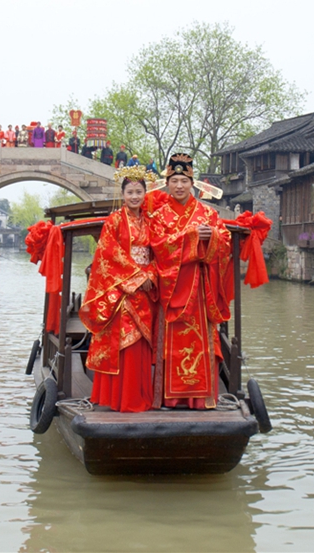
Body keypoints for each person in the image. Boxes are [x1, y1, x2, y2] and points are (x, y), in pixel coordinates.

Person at [146, 153, 231, 410]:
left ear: (192, 183)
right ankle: (169, 399)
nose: (180, 185)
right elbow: (158, 246)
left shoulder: (207, 213)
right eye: (174, 180)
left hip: (200, 293)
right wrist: (192, 235)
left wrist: (212, 236)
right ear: (167, 184)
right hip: (172, 290)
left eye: (184, 180)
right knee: (170, 347)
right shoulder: (159, 217)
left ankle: (200, 399)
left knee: (200, 345)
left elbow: (225, 242)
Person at [79, 165, 158, 412]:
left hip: (145, 289)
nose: (134, 196)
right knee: (124, 345)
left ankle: (141, 397)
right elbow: (107, 255)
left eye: (139, 192)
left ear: (145, 194)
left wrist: (151, 275)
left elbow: (158, 254)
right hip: (123, 292)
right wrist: (135, 278)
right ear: (122, 194)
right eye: (130, 192)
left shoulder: (151, 222)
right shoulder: (114, 221)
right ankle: (119, 399)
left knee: (142, 345)